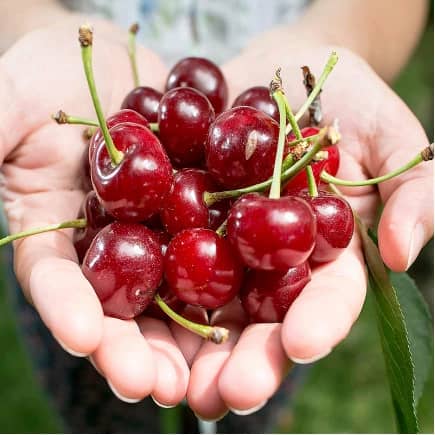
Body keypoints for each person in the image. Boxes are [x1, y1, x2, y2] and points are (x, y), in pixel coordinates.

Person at [0, 0, 432, 432]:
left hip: (247, 296)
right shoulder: (138, 157)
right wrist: (28, 26)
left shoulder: (270, 202)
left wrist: (339, 37)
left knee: (249, 386)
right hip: (103, 272)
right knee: (99, 391)